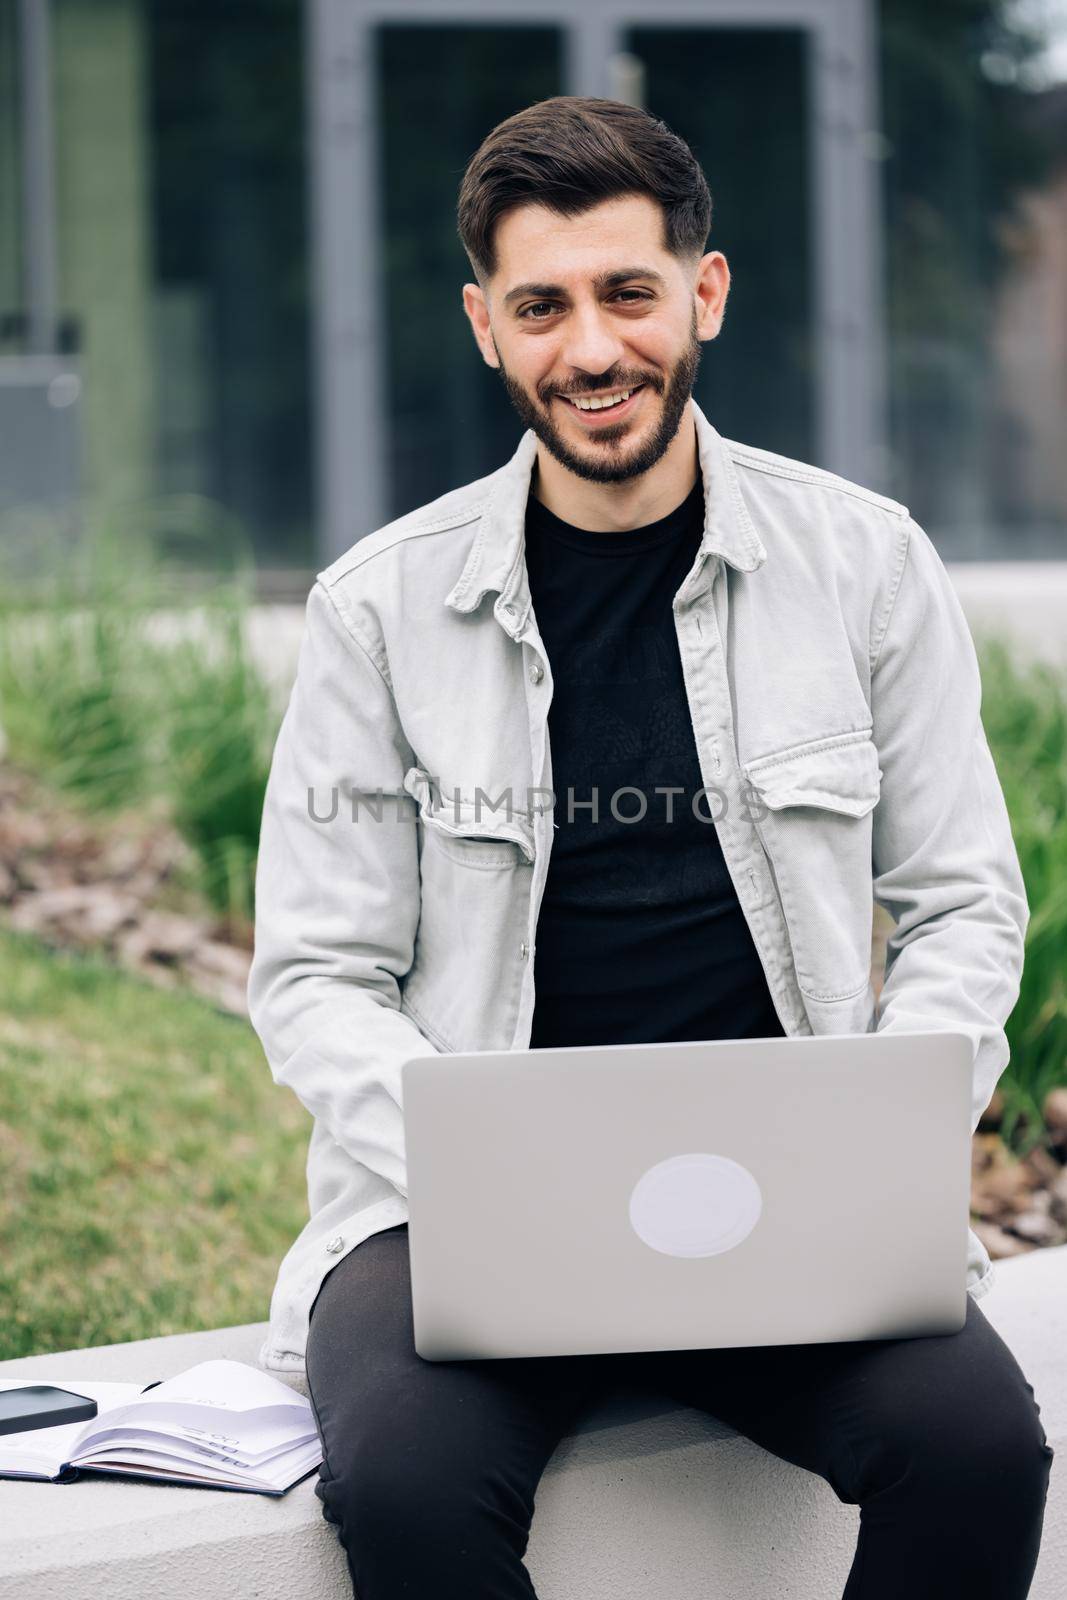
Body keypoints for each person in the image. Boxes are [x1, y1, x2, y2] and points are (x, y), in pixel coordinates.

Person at [247, 96, 1053, 1598]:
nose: (594, 349)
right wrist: (485, 1164)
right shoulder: (378, 608)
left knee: (980, 1450)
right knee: (413, 1488)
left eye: (629, 292)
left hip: (794, 1206)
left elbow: (960, 905)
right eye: (543, 307)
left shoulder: (866, 566)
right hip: (456, 1217)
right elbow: (315, 973)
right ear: (488, 327)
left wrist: (886, 1132)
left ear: (706, 292)